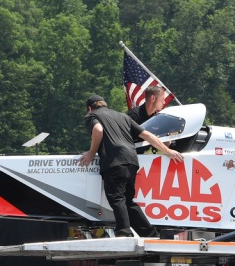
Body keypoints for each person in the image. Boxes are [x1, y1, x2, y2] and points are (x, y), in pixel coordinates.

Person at [77, 94, 184, 238]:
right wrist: (168, 151)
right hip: (132, 161)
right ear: (105, 105)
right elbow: (147, 135)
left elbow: (98, 130)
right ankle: (150, 234)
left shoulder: (92, 116)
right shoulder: (123, 116)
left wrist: (91, 153)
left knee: (116, 198)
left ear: (90, 108)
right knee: (128, 201)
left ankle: (124, 232)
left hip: (114, 161)